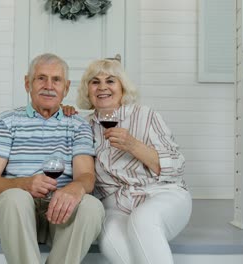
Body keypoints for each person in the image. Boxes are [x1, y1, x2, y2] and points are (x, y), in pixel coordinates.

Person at [0, 53, 105, 264]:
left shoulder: (78, 125)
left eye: (56, 80)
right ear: (27, 83)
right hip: (16, 215)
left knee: (92, 207)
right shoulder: (6, 121)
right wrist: (24, 184)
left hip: (60, 211)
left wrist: (75, 188)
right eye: (41, 78)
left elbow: (86, 176)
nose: (49, 85)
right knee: (14, 198)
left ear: (66, 87)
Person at [66, 58, 192, 264]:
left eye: (110, 81)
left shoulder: (146, 115)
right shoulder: (82, 126)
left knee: (142, 220)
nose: (102, 87)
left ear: (122, 87)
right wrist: (63, 111)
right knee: (110, 242)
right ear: (87, 91)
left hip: (161, 194)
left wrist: (133, 145)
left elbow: (177, 166)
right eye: (95, 82)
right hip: (115, 205)